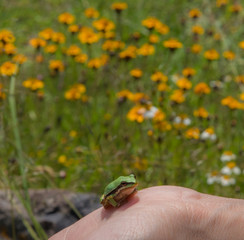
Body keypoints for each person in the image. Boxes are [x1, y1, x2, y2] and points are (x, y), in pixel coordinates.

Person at [49, 186, 244, 240]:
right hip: (109, 197)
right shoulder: (118, 190)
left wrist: (185, 215)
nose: (132, 185)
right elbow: (111, 198)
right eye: (127, 184)